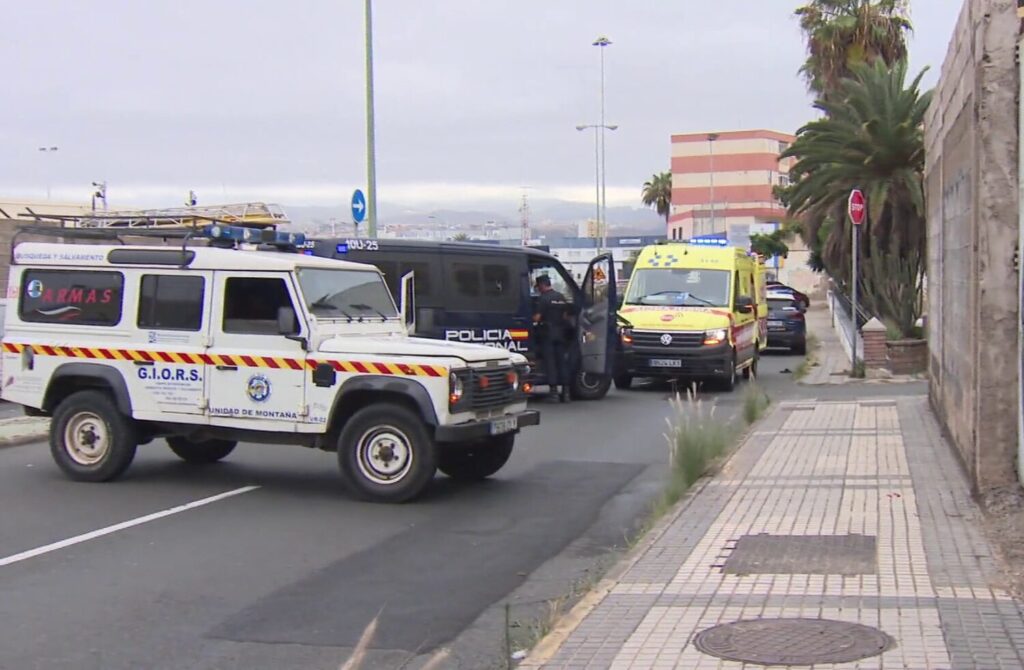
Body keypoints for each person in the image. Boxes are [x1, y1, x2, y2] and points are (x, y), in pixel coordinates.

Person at [533, 275, 573, 403]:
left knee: (551, 364)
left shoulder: (543, 299)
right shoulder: (560, 297)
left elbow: (537, 318)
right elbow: (566, 316)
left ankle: (554, 393)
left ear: (542, 285)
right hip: (561, 334)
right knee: (562, 363)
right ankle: (566, 393)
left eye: (538, 286)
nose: (538, 289)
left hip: (547, 335)